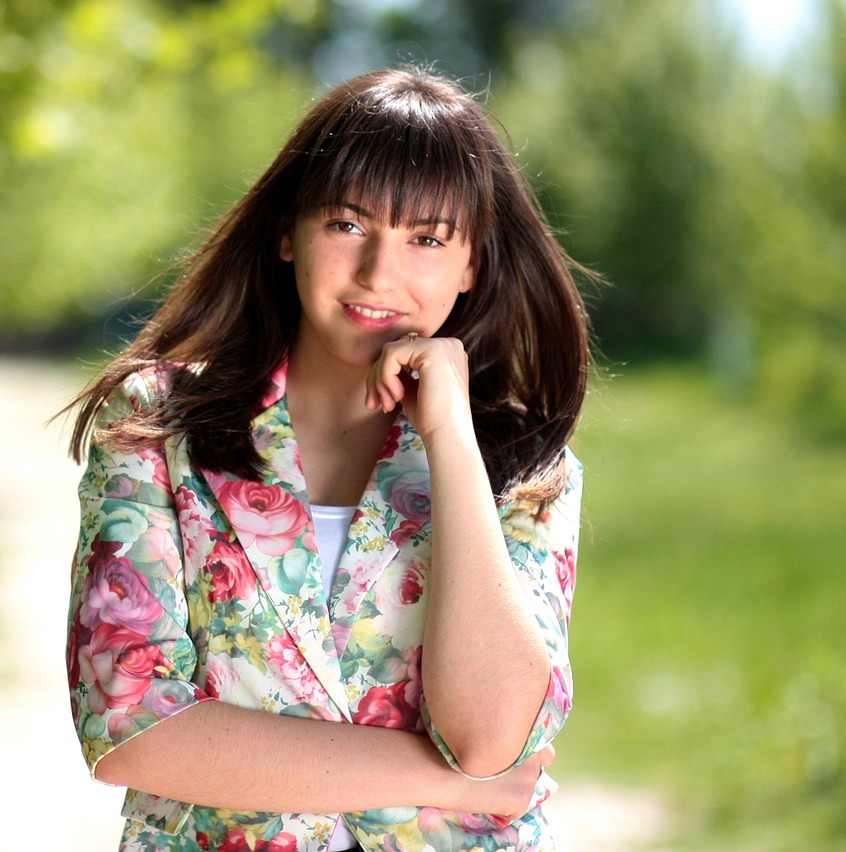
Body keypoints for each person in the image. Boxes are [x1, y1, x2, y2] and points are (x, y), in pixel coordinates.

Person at [64, 67, 591, 852]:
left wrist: (451, 441)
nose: (380, 274)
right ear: (289, 233)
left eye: (427, 239)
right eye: (348, 225)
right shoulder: (157, 421)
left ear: (472, 264)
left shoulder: (525, 461)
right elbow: (134, 732)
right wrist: (441, 780)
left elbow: (491, 739)